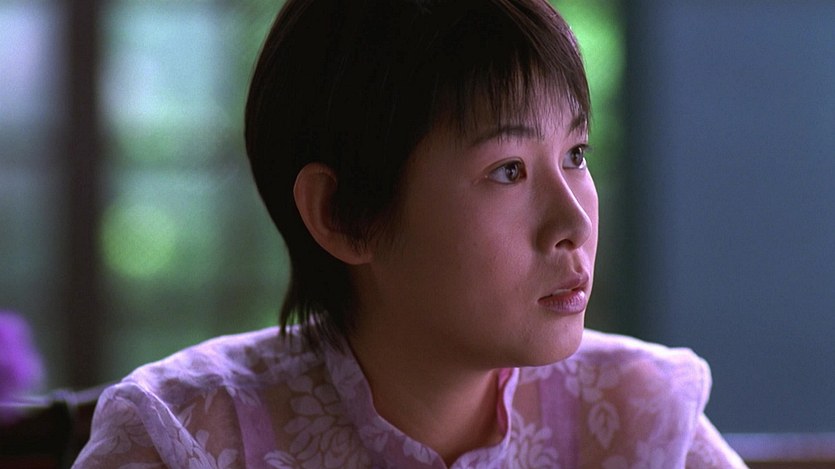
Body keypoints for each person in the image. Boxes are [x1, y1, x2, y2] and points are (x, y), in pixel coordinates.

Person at [74, 0, 747, 467]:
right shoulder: (189, 438)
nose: (574, 223)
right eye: (508, 170)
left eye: (575, 154)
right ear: (343, 214)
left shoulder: (636, 416)